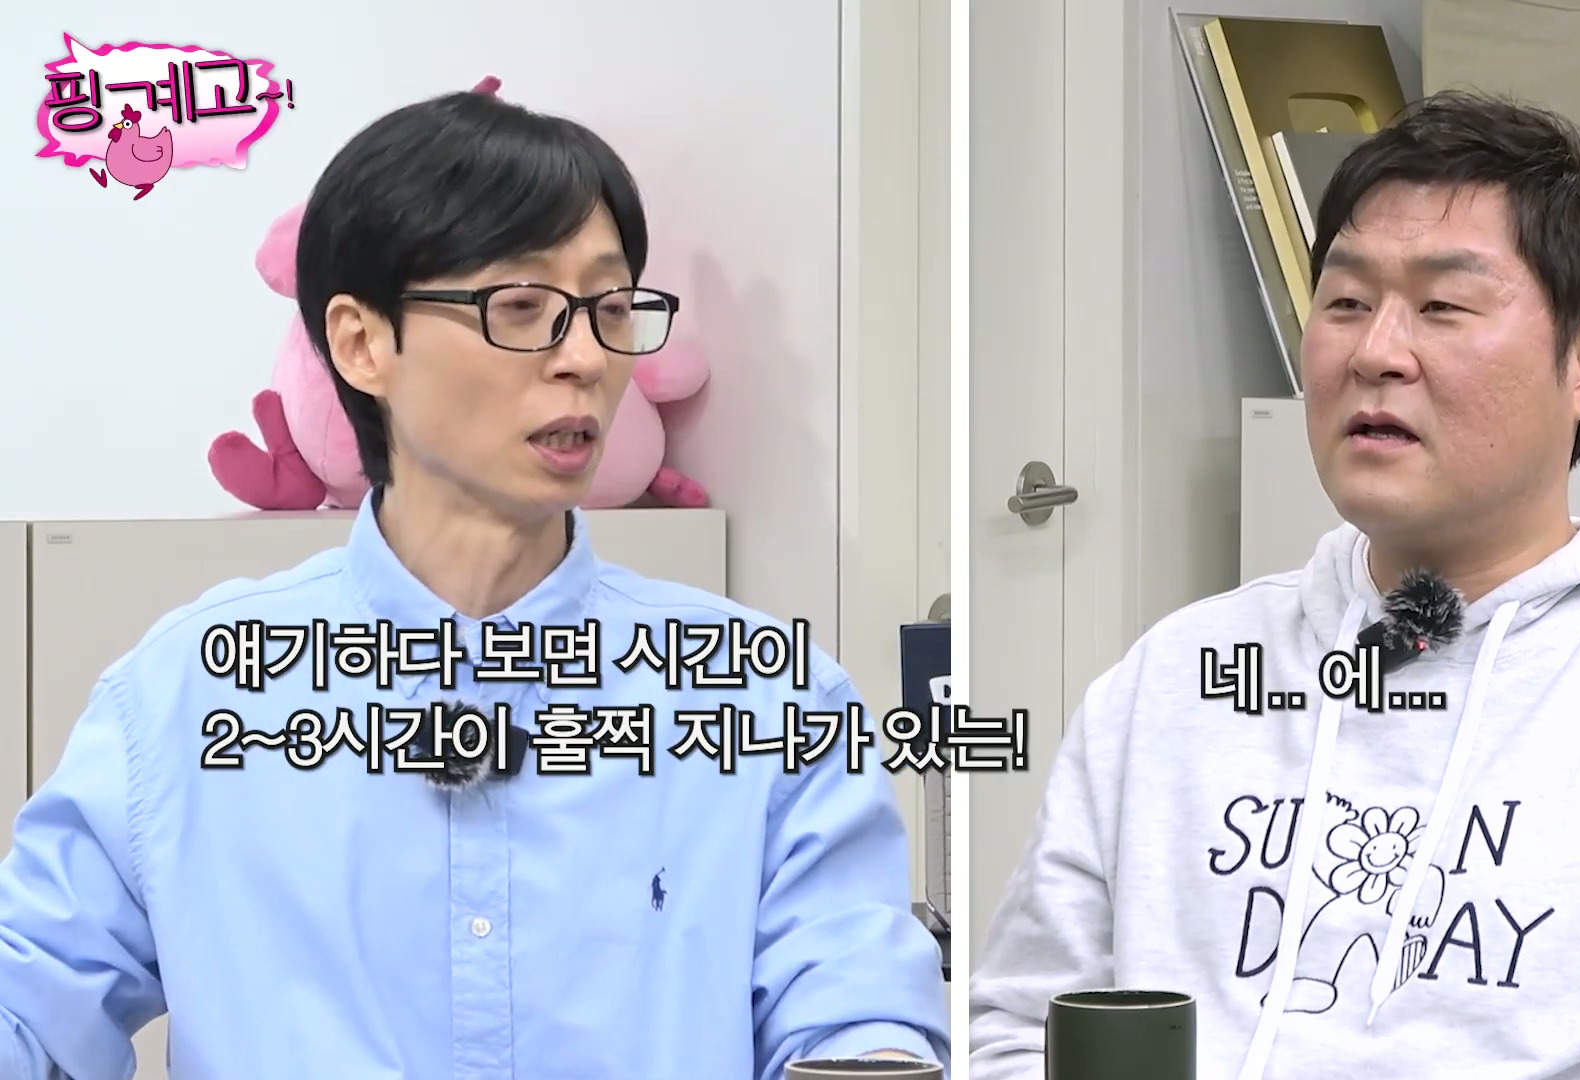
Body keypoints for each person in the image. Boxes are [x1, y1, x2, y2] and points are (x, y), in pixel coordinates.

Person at [0, 89, 948, 1079]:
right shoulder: (189, 697)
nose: (584, 358)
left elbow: (854, 1012)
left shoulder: (763, 695)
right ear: (362, 343)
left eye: (610, 309)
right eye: (523, 308)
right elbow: (31, 1001)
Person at [969, 90, 1580, 1079]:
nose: (1375, 352)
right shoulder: (1174, 681)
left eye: (1443, 307)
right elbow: (1022, 1031)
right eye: (1346, 302)